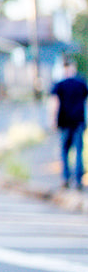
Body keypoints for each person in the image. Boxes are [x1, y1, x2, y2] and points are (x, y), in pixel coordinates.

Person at [49, 58, 87, 189]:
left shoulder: (59, 84)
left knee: (65, 151)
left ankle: (65, 178)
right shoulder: (81, 83)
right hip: (78, 121)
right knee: (78, 151)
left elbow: (55, 103)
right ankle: (78, 180)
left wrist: (53, 120)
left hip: (64, 122)